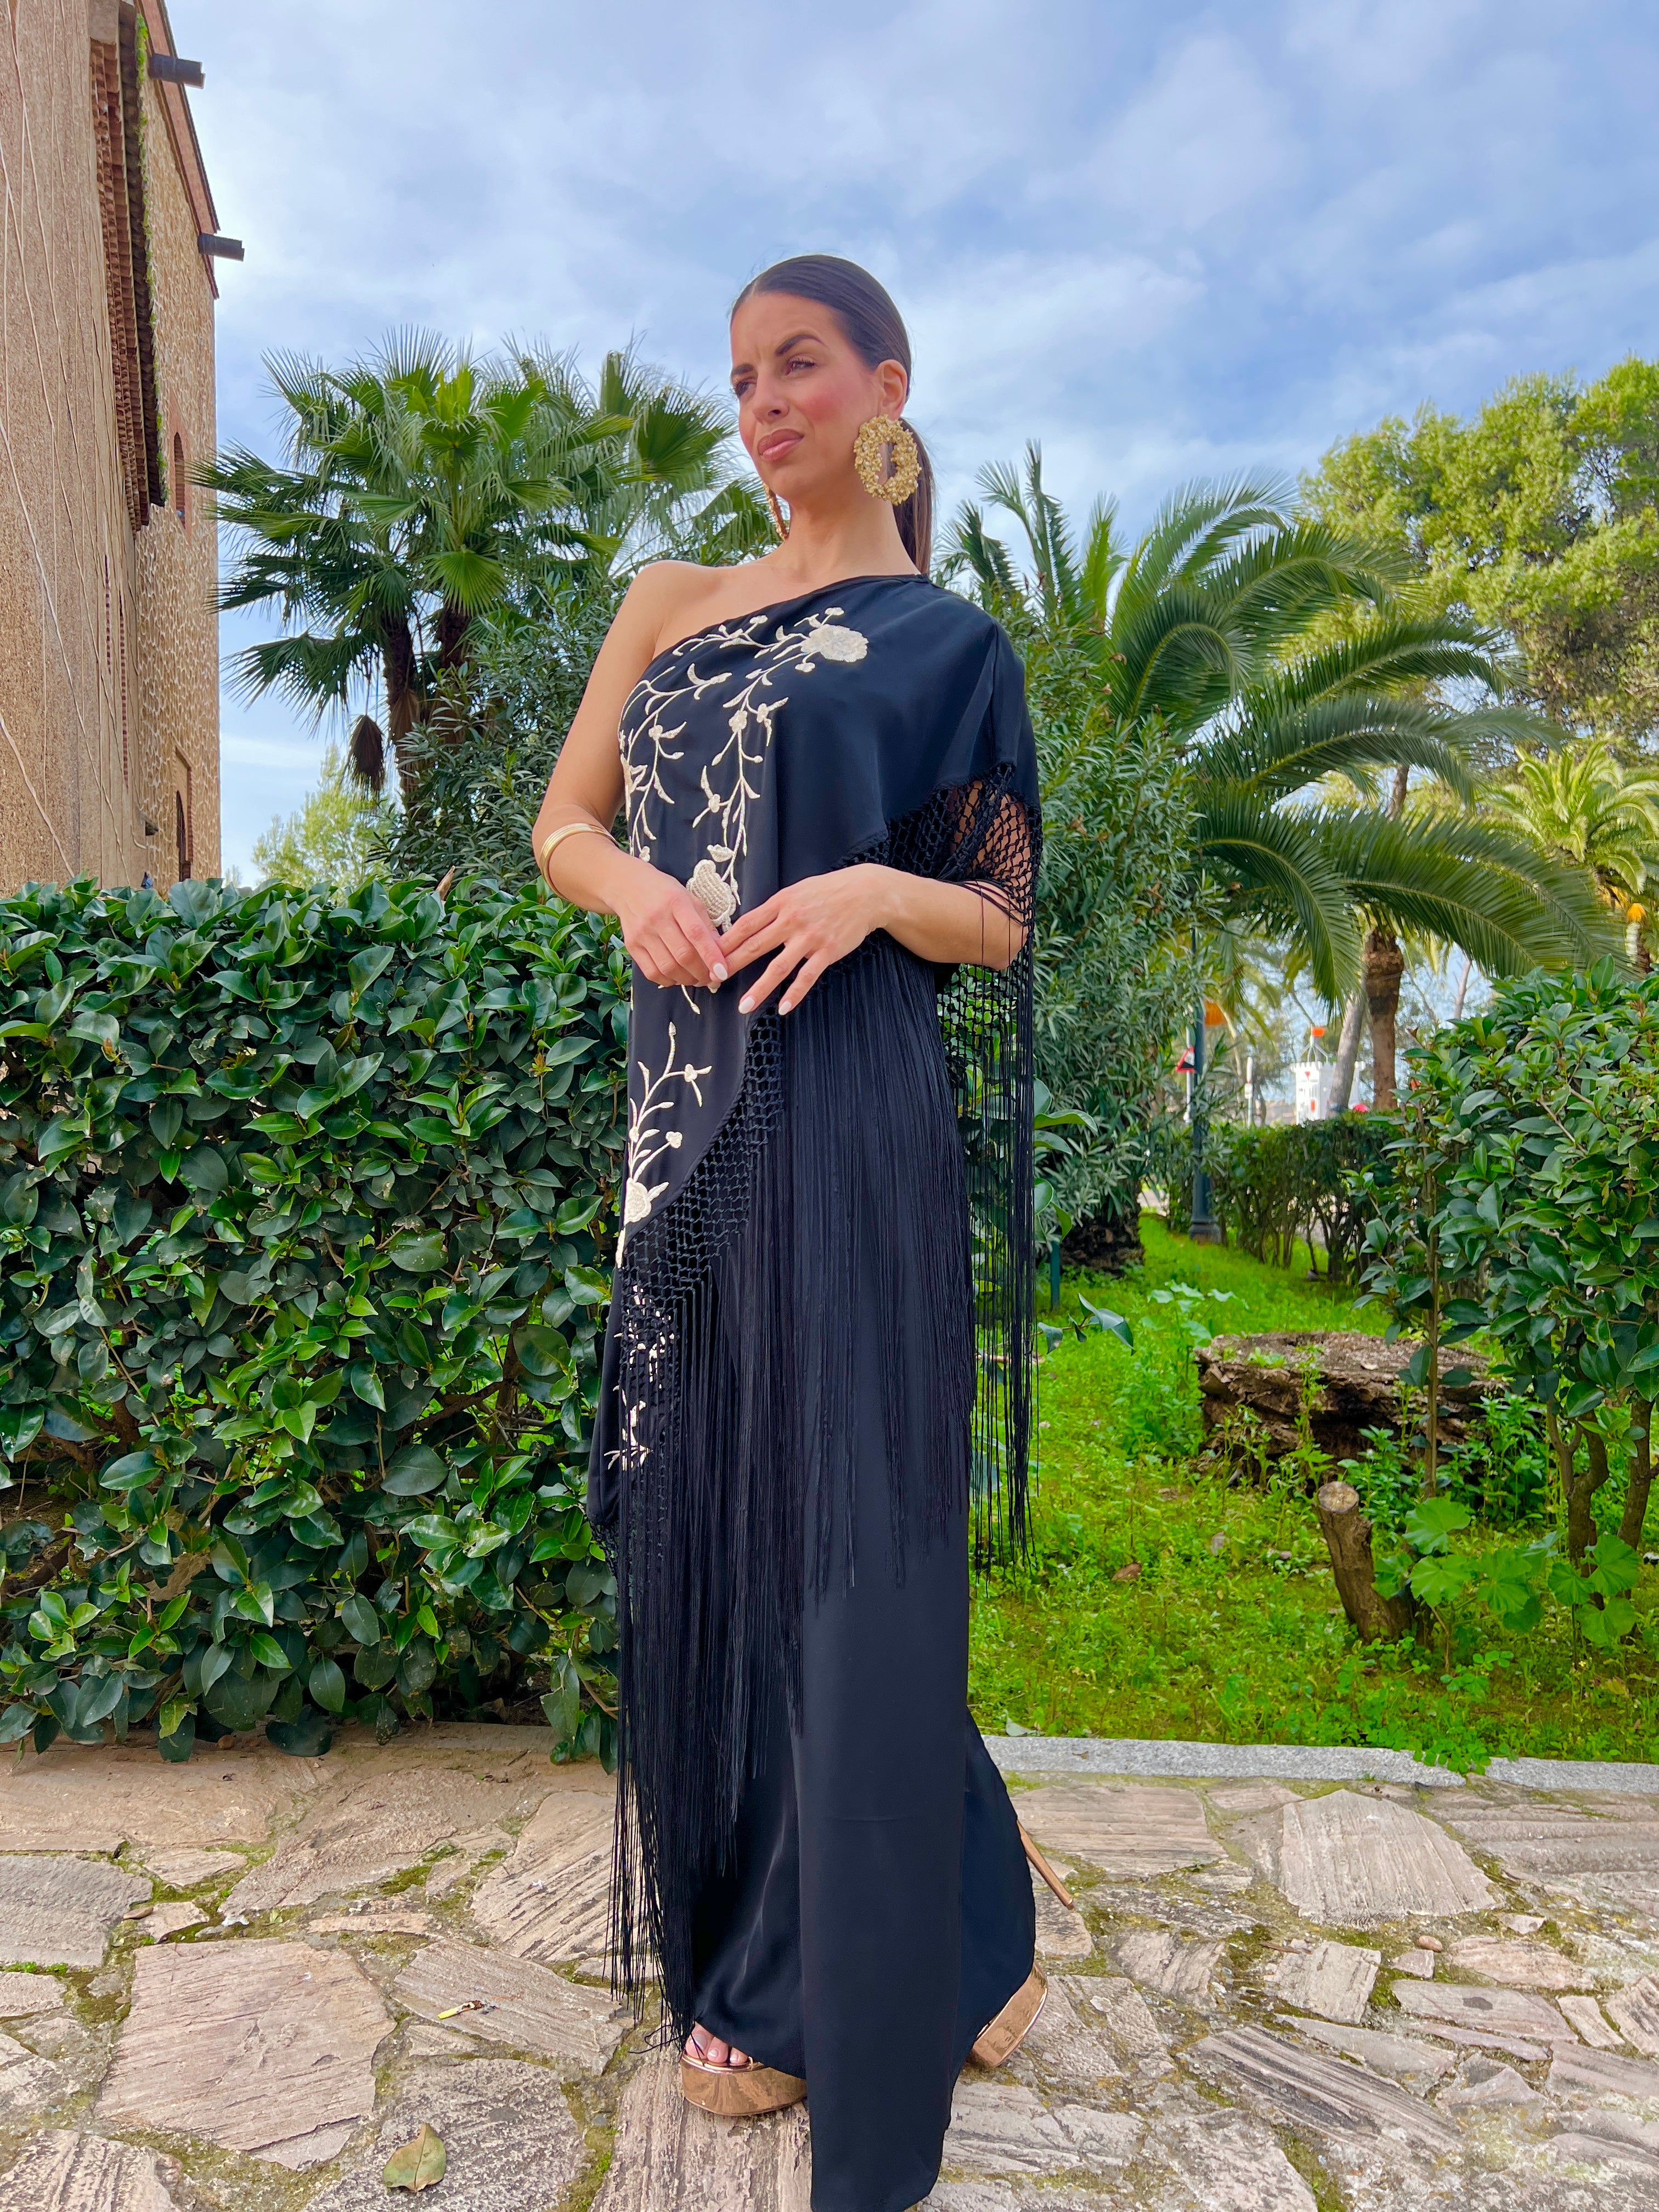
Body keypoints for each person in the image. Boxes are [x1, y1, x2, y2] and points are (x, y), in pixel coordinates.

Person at [532, 253, 1057, 2212]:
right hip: (688, 1132)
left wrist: (868, 893)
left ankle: (799, 1986)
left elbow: (999, 913)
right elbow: (565, 823)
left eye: (800, 365)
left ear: (885, 386)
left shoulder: (948, 644)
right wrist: (632, 897)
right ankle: (977, 1915)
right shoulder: (668, 603)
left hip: (849, 1117)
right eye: (743, 372)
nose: (762, 402)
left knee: (850, 1544)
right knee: (726, 1528)